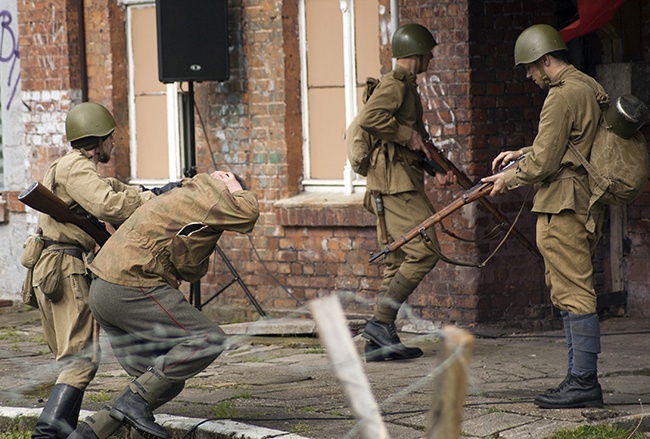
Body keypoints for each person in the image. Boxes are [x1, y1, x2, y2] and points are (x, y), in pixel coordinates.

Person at [68, 170, 260, 439]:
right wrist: (235, 187)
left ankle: (89, 433)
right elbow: (249, 213)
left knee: (161, 383)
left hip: (103, 292)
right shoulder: (211, 193)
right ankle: (131, 405)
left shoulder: (183, 196)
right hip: (130, 284)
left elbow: (189, 268)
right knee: (209, 338)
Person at [481, 23, 611, 409]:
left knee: (574, 290)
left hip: (563, 204)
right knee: (570, 288)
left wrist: (510, 177)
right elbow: (569, 143)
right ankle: (577, 378)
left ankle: (584, 381)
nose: (528, 75)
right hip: (583, 200)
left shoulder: (560, 96)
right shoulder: (587, 86)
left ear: (545, 60)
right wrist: (522, 151)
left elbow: (546, 160)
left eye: (529, 68)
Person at [26, 102, 157, 438]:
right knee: (80, 360)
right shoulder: (78, 168)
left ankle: (62, 432)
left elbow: (109, 189)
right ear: (98, 139)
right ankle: (46, 435)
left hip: (50, 266)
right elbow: (107, 204)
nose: (114, 144)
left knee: (73, 360)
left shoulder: (64, 166)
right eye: (111, 138)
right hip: (65, 266)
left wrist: (150, 191)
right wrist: (148, 201)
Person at [354, 23, 454, 362]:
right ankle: (380, 323)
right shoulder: (394, 85)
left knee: (398, 258)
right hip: (393, 184)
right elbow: (371, 119)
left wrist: (436, 170)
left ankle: (379, 343)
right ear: (415, 53)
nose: (431, 58)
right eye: (428, 53)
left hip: (402, 179)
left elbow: (415, 144)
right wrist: (405, 134)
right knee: (425, 251)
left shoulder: (408, 87)